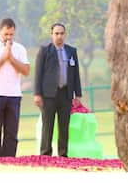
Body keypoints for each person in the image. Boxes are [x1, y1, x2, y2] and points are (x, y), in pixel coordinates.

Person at [0, 17, 31, 157]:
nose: (8, 37)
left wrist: (11, 58)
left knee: (11, 134)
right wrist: (3, 58)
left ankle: (9, 163)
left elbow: (26, 71)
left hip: (14, 96)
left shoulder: (20, 49)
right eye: (6, 34)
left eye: (11, 34)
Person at [34, 23, 83, 157]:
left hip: (66, 94)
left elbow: (76, 74)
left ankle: (63, 154)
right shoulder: (44, 51)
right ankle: (45, 154)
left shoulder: (71, 51)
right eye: (56, 33)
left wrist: (77, 94)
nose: (59, 36)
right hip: (48, 94)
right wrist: (37, 94)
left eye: (62, 33)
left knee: (64, 126)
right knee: (47, 125)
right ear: (52, 35)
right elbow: (38, 74)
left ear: (65, 35)